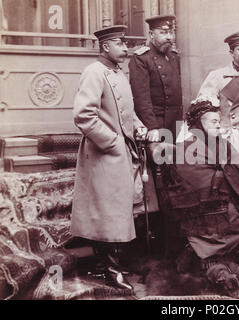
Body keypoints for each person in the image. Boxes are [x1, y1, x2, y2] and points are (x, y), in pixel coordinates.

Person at [150, 99, 239, 298]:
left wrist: (231, 177)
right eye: (211, 122)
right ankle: (218, 270)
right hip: (201, 210)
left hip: (228, 202)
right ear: (199, 125)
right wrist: (219, 177)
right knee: (219, 224)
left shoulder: (225, 145)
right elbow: (188, 180)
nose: (217, 125)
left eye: (218, 122)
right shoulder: (185, 149)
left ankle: (229, 270)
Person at [71, 25, 147, 291]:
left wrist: (138, 125)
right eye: (120, 43)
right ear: (105, 46)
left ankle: (114, 264)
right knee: (107, 211)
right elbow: (83, 116)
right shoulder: (94, 72)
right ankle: (110, 270)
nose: (126, 48)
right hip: (103, 152)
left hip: (122, 151)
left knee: (119, 209)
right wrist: (112, 141)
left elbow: (127, 111)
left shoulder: (118, 72)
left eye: (125, 43)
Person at [129, 14, 183, 143]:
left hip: (175, 122)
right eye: (163, 33)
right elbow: (141, 97)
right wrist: (152, 127)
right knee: (156, 159)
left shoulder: (174, 56)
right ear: (151, 34)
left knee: (174, 159)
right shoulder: (141, 58)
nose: (169, 37)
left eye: (171, 32)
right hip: (155, 122)